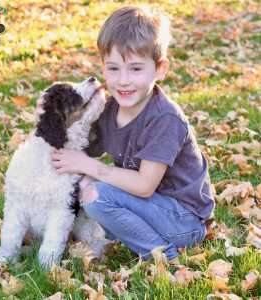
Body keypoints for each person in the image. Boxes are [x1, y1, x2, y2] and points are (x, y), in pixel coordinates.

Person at [51, 6, 215, 264]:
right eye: (113, 68)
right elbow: (79, 148)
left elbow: (143, 185)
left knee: (95, 194)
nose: (123, 81)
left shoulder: (164, 119)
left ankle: (162, 254)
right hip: (148, 209)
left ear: (160, 69)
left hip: (183, 220)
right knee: (82, 186)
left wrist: (90, 167)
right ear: (103, 66)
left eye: (136, 69)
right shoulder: (110, 109)